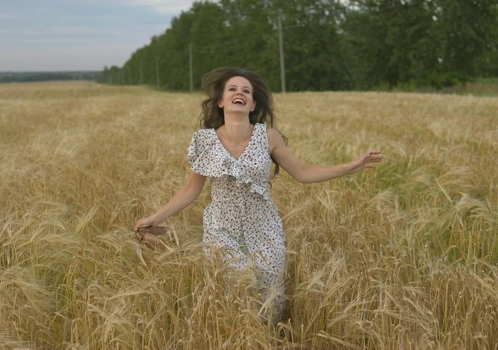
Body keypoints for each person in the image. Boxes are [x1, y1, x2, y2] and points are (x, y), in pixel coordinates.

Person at [134, 67, 383, 324]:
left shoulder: (268, 137)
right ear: (221, 101)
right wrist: (155, 217)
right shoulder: (204, 140)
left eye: (246, 91)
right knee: (233, 297)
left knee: (269, 300)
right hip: (222, 229)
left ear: (252, 104)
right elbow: (191, 190)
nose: (239, 93)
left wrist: (350, 166)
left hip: (264, 227)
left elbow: (303, 172)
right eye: (232, 89)